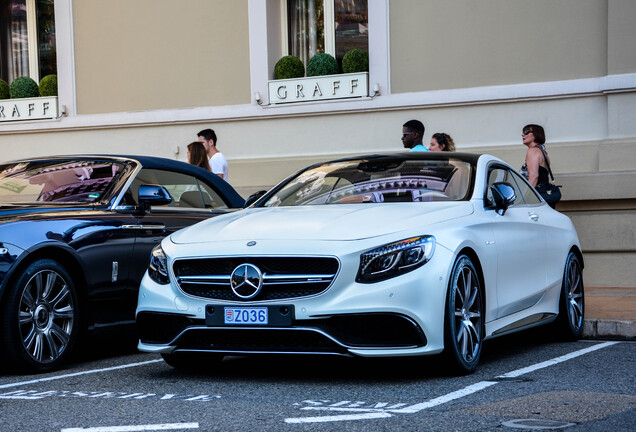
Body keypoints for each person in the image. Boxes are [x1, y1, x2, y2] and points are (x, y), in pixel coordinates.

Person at [520, 124, 561, 208]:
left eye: (527, 132)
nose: (523, 134)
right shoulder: (543, 152)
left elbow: (534, 176)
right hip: (545, 195)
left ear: (536, 134)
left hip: (537, 198)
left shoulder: (533, 151)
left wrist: (524, 199)